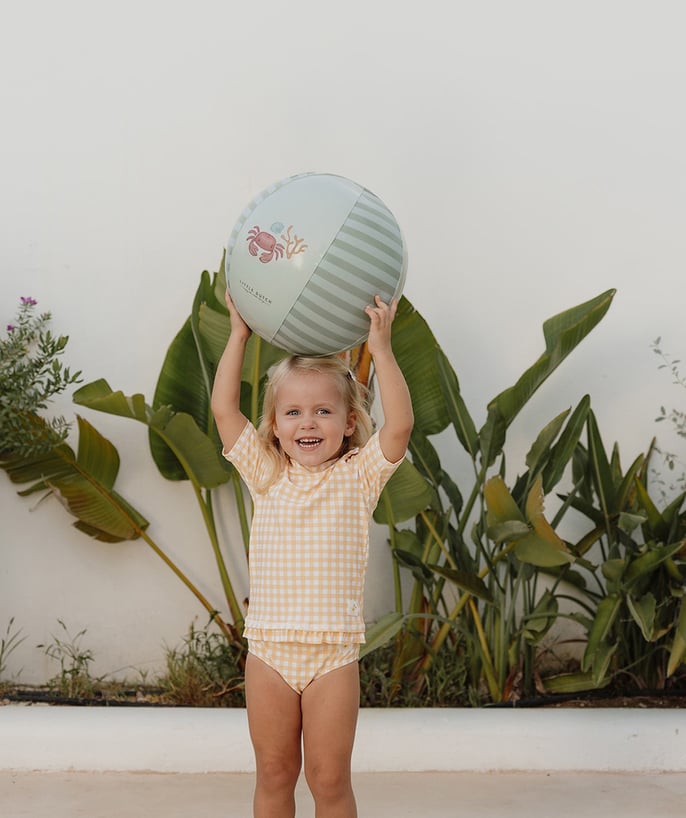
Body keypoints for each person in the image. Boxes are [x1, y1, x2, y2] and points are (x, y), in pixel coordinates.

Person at [211, 290, 413, 818]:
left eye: (323, 411)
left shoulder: (360, 476)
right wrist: (237, 335)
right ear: (275, 425)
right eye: (294, 412)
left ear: (348, 423)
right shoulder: (266, 474)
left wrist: (382, 350)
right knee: (275, 774)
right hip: (270, 651)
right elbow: (223, 409)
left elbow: (398, 427)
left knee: (329, 780)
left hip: (332, 655)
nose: (307, 423)